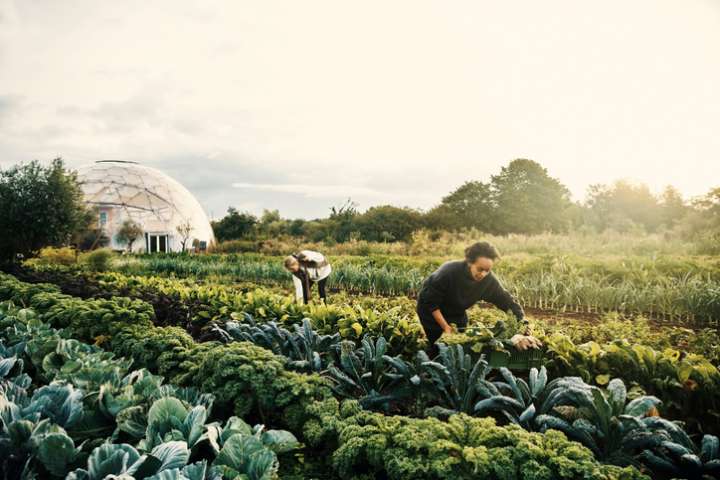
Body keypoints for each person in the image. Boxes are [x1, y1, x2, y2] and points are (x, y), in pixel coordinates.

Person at [416, 241, 542, 356]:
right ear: (470, 262)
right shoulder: (448, 272)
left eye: (487, 270)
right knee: (440, 345)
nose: (483, 274)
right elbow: (431, 303)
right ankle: (429, 366)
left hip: (457, 311)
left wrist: (522, 322)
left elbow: (506, 300)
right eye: (480, 269)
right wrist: (445, 327)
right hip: (431, 312)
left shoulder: (487, 280)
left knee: (461, 346)